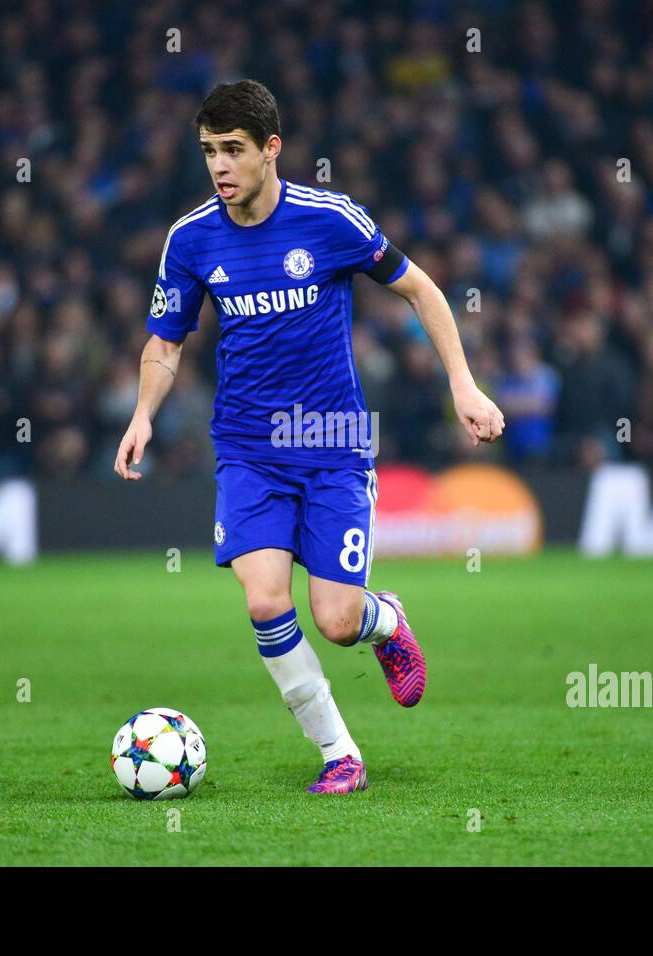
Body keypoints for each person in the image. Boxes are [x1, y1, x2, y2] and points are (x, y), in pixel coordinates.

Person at [114, 80, 504, 794]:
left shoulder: (330, 220)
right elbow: (165, 343)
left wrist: (463, 385)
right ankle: (339, 754)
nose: (220, 167)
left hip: (333, 444)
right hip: (247, 450)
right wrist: (142, 415)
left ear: (271, 150)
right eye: (208, 152)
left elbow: (421, 288)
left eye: (233, 150)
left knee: (335, 619)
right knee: (264, 601)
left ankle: (385, 621)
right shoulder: (191, 237)